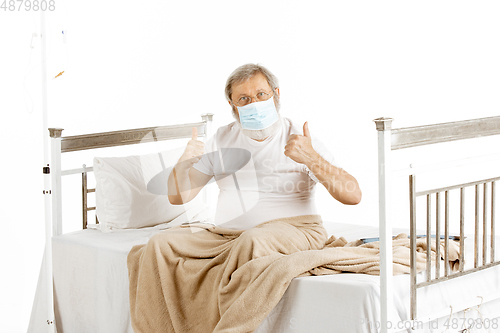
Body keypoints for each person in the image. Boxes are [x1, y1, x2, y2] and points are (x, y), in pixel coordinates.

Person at [167, 63, 361, 229]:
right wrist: (183, 164)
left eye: (261, 94)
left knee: (254, 242)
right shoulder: (222, 138)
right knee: (163, 245)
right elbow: (178, 198)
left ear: (275, 94)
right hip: (228, 238)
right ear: (232, 105)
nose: (254, 104)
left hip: (291, 234)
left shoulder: (300, 139)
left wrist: (311, 158)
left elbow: (353, 196)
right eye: (243, 99)